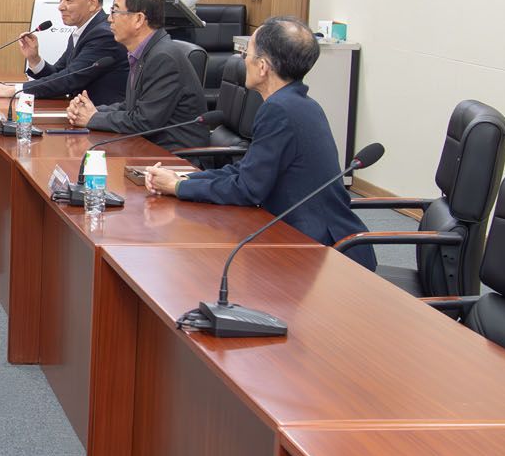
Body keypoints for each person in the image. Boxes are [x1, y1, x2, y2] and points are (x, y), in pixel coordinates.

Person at [144, 16, 376, 268]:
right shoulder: (300, 103)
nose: (243, 59)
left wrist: (179, 187)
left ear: (263, 66)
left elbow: (247, 188)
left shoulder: (279, 110)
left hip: (319, 250)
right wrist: (184, 179)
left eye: (247, 53)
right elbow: (248, 171)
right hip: (311, 239)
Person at [66, 0, 209, 152]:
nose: (109, 19)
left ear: (139, 19)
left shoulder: (163, 58)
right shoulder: (147, 51)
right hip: (149, 148)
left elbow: (144, 121)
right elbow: (130, 106)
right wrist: (88, 110)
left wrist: (92, 118)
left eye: (115, 11)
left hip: (175, 156)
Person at [0, 0, 129, 103]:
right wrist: (35, 59)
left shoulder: (104, 34)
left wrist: (12, 91)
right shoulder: (84, 31)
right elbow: (58, 74)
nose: (60, 7)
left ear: (92, 2)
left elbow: (69, 79)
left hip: (101, 120)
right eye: (60, 0)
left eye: (68, 0)